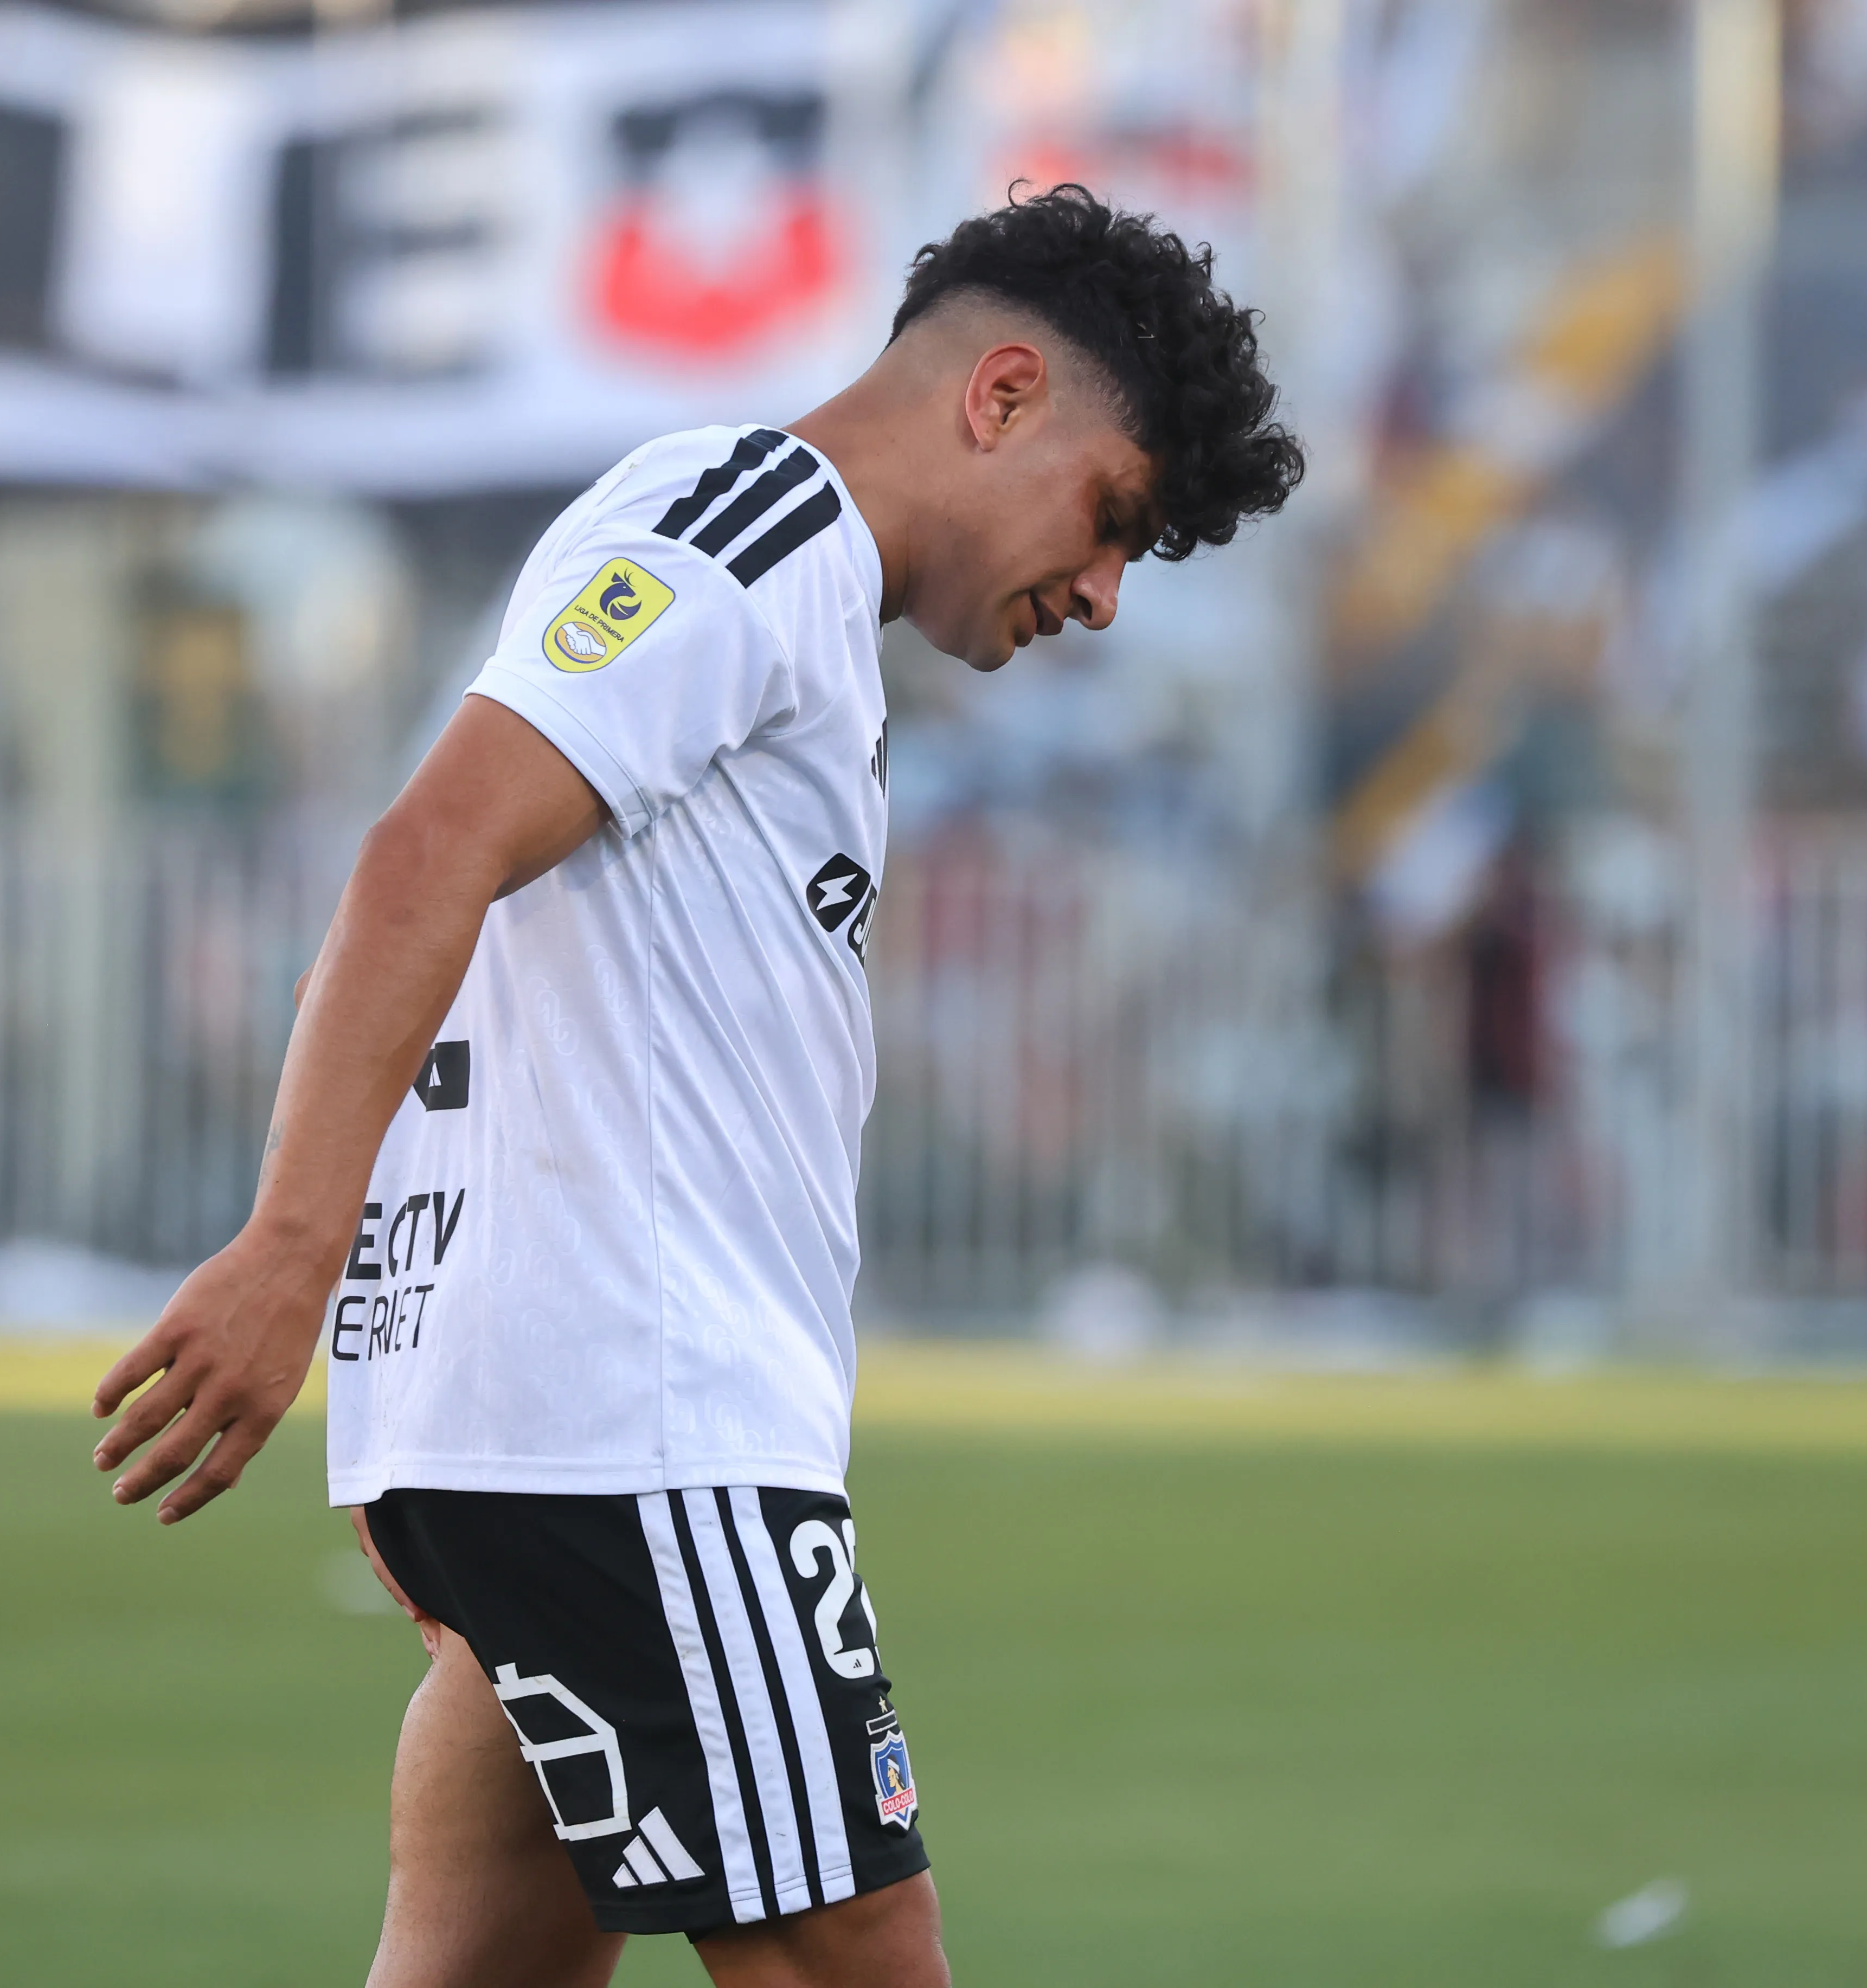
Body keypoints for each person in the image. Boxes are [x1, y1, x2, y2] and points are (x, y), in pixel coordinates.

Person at [87, 185, 1301, 1988]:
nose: (1108, 595)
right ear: (1003, 396)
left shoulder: (786, 599)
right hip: (646, 1424)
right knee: (854, 1948)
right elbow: (424, 855)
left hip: (558, 1419)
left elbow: (442, 937)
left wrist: (416, 1352)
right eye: (1115, 519)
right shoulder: (750, 535)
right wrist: (297, 1249)